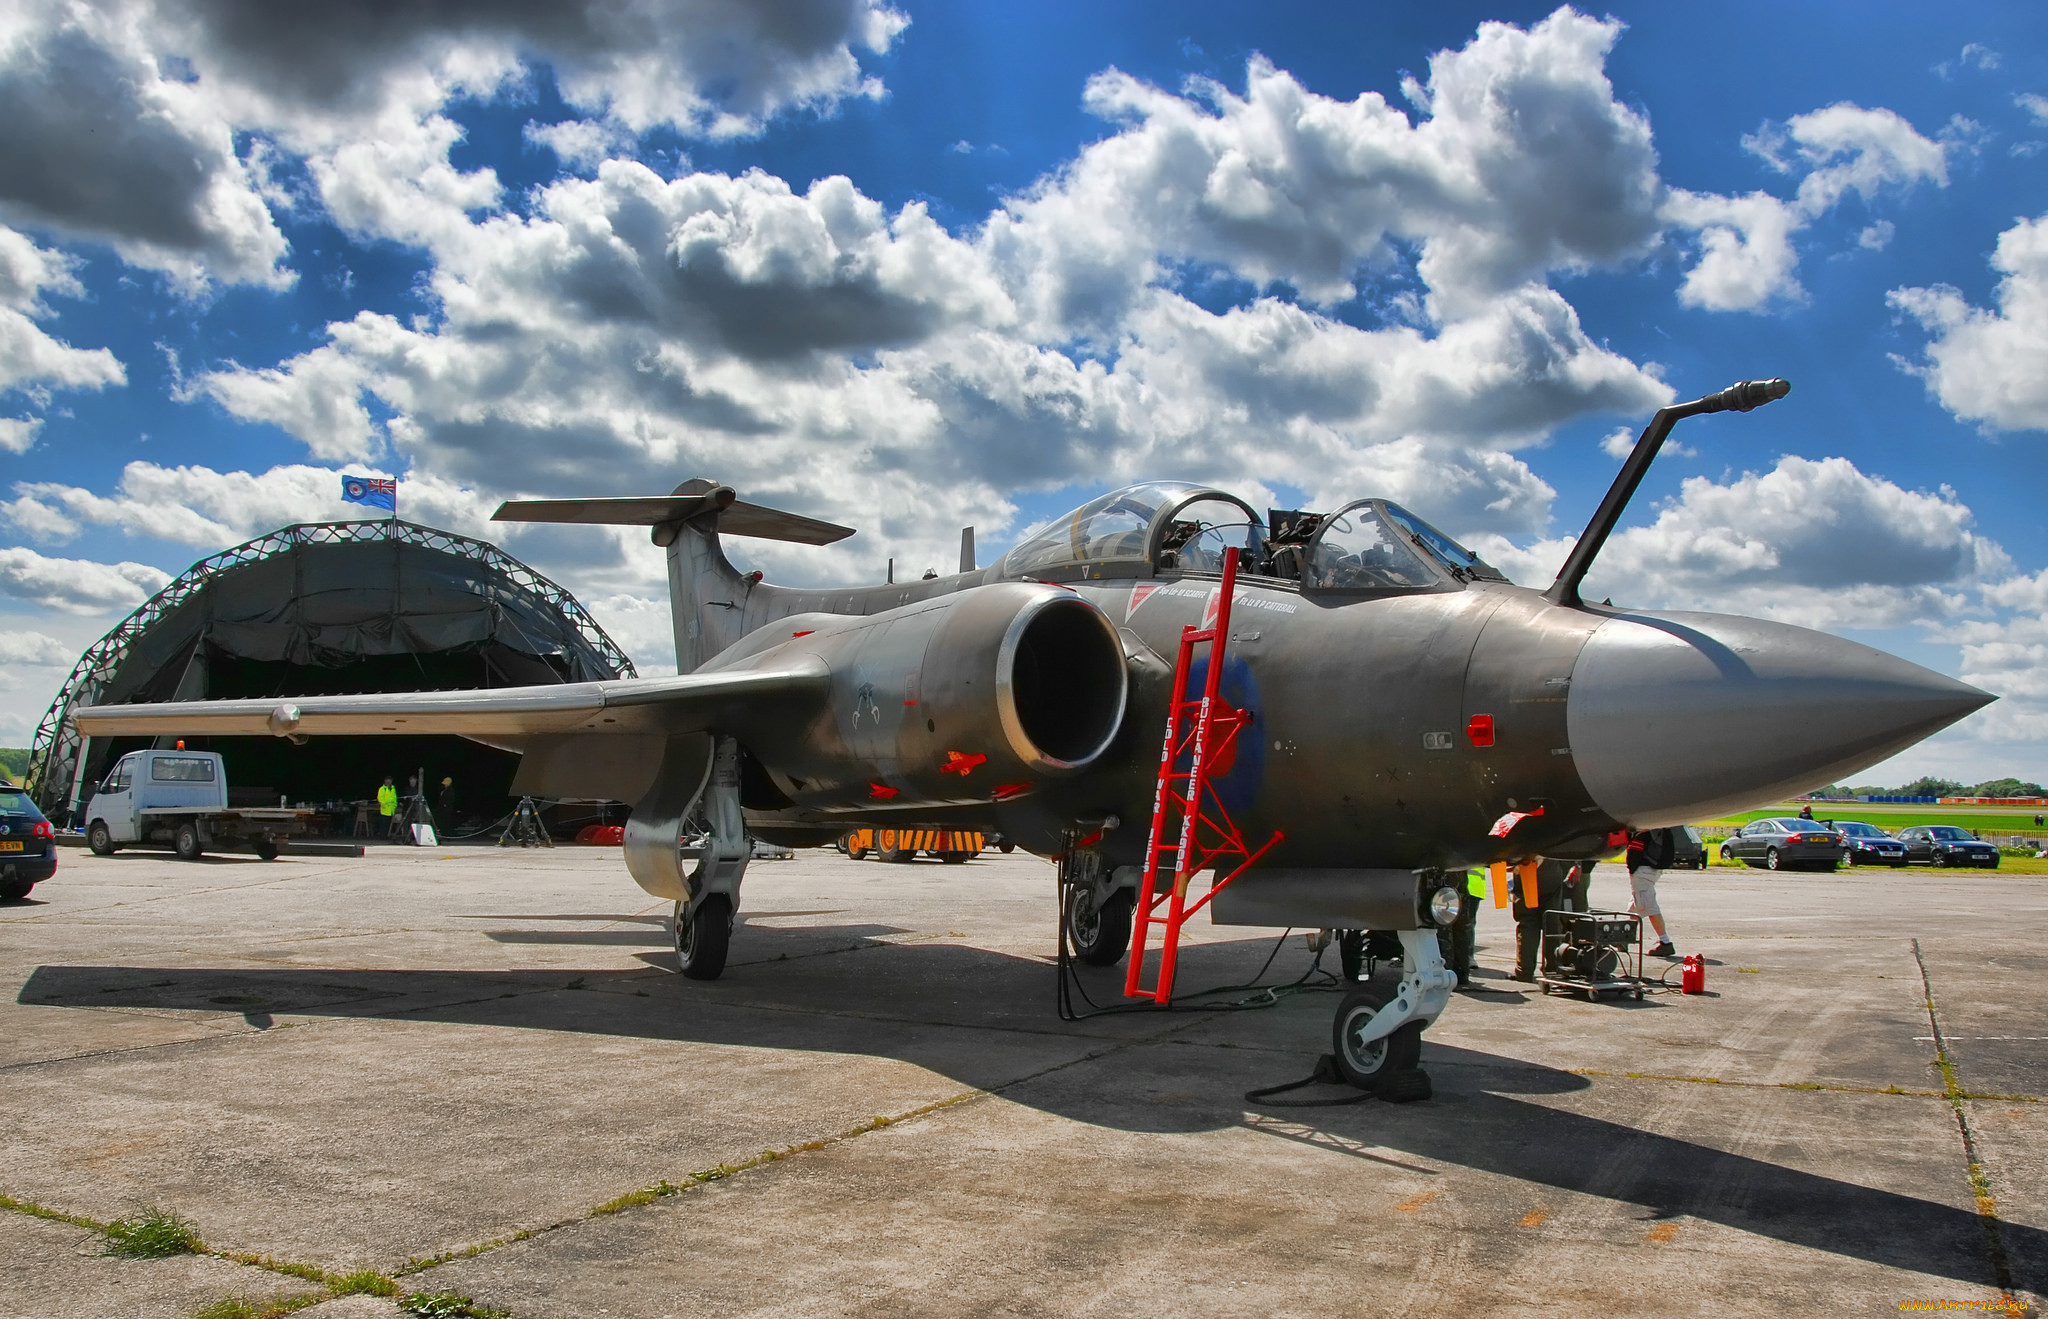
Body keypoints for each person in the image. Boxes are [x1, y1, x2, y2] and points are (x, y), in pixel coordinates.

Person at [1512, 857, 1584, 981]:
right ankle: (1553, 968)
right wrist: (1574, 865)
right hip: (1550, 870)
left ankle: (1525, 970)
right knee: (1552, 922)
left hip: (1525, 870)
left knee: (1528, 922)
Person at [1626, 827, 1678, 957]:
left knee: (1647, 905)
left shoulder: (1645, 834)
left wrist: (1632, 869)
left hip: (1642, 871)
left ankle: (1665, 942)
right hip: (1651, 870)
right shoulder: (1658, 833)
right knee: (1636, 905)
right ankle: (1624, 937)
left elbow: (1634, 853)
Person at [1444, 868, 1484, 988]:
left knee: (1445, 927)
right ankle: (1461, 973)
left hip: (1446, 875)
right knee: (1462, 927)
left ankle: (1446, 975)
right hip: (1461, 875)